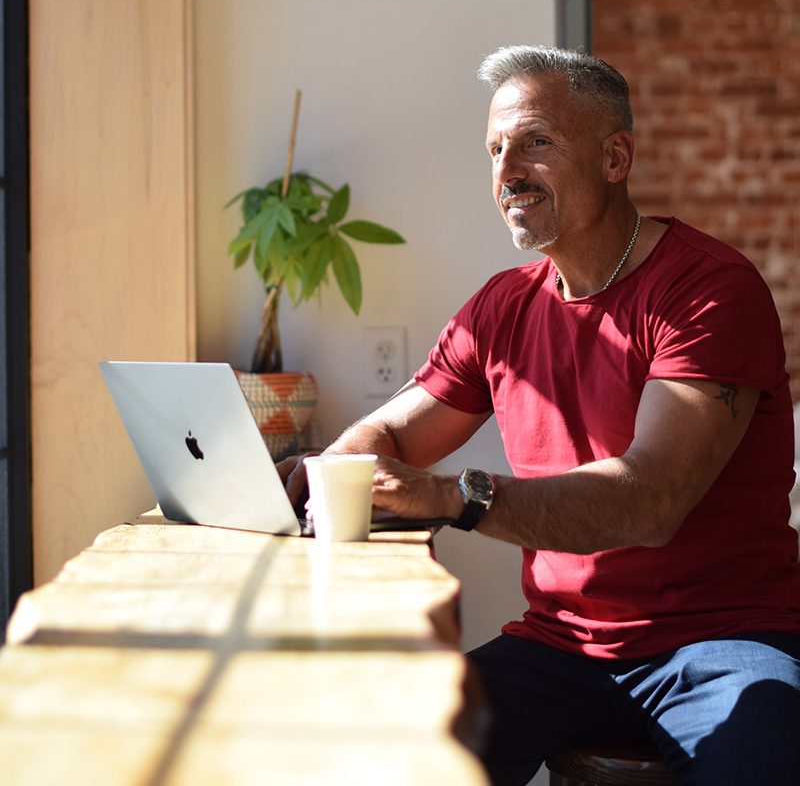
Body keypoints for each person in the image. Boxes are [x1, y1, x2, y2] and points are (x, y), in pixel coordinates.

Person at [279, 46, 800, 785]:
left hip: (722, 640)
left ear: (616, 158)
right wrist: (337, 468)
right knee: (388, 756)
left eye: (537, 142)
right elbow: (393, 432)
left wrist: (455, 498)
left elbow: (650, 499)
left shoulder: (709, 290)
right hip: (560, 646)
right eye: (495, 149)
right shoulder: (504, 305)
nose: (508, 170)